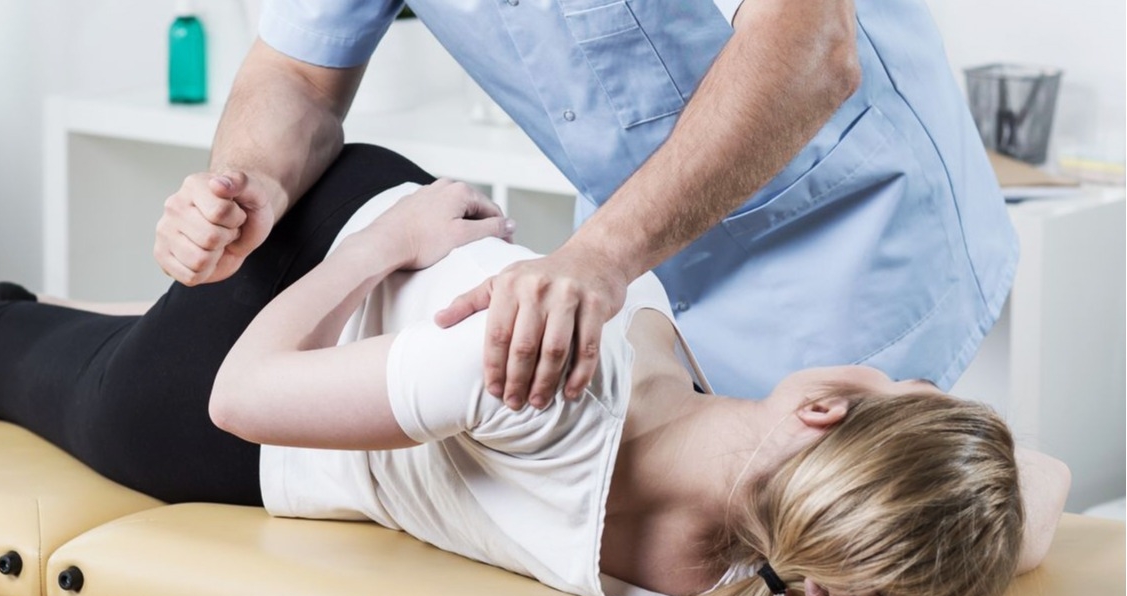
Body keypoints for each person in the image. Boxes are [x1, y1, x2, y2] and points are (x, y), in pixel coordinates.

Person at [0, 146, 1064, 596]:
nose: (899, 373)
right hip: (364, 287)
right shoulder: (738, 575)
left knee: (0, 355)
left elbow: (240, 393)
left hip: (253, 375)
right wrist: (892, 582)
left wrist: (384, 250)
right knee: (107, 331)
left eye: (898, 388)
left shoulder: (541, 381)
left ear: (823, 411)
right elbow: (1039, 487)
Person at [153, 0, 1016, 419]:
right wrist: (246, 183)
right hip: (637, 265)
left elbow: (809, 48)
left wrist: (602, 256)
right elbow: (298, 75)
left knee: (857, 542)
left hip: (851, 232)